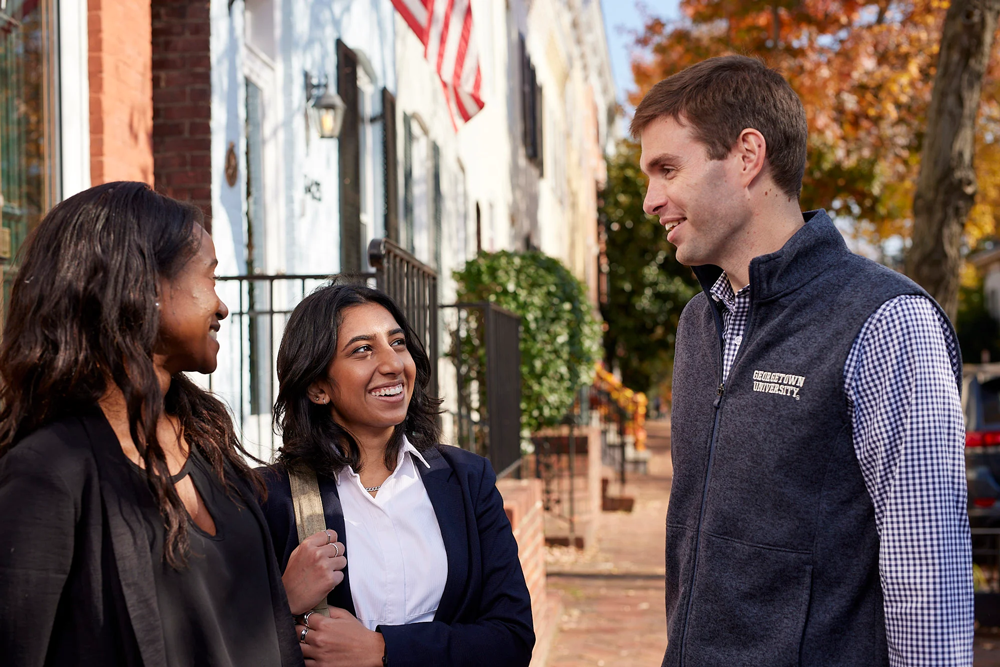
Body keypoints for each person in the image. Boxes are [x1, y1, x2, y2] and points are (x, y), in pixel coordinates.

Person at [632, 56, 972, 665]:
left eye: (667, 169)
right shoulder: (697, 325)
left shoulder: (887, 320)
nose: (651, 200)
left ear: (746, 156)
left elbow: (929, 571)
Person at [0, 182, 303, 667]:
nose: (222, 306)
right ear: (143, 287)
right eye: (210, 278)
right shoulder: (51, 472)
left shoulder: (205, 441)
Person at [259, 283, 534, 667]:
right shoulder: (268, 498)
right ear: (318, 387)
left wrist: (383, 650)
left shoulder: (469, 480)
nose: (392, 364)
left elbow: (512, 638)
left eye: (398, 343)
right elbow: (222, 644)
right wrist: (282, 602)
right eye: (363, 349)